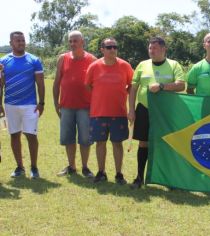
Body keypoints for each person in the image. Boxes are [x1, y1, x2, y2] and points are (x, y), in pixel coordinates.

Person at [128, 36, 185, 189]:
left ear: (163, 49)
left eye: (155, 48)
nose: (151, 51)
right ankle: (139, 177)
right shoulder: (142, 65)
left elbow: (181, 86)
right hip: (144, 109)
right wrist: (131, 109)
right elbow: (133, 88)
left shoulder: (174, 65)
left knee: (167, 142)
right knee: (144, 143)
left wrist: (161, 86)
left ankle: (170, 180)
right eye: (150, 48)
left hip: (166, 111)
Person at [85, 37, 133, 184]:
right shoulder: (94, 66)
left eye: (115, 47)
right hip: (98, 113)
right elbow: (88, 85)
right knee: (100, 143)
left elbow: (132, 85)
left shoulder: (125, 66)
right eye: (109, 47)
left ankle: (119, 174)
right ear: (102, 50)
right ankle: (101, 172)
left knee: (117, 144)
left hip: (118, 112)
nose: (113, 49)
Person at [0, 31, 45, 178]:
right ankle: (20, 167)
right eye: (18, 40)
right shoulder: (3, 62)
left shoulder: (34, 60)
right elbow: (1, 85)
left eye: (23, 40)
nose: (21, 43)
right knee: (14, 135)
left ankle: (34, 167)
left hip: (30, 105)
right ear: (11, 43)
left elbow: (40, 83)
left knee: (31, 135)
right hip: (10, 105)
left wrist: (41, 103)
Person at [53, 30, 96, 178]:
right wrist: (55, 102)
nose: (72, 44)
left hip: (85, 106)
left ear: (82, 42)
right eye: (70, 41)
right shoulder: (62, 58)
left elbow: (97, 85)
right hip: (66, 106)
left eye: (75, 41)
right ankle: (71, 166)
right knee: (68, 138)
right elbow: (57, 81)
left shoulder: (92, 59)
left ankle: (85, 167)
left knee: (85, 139)